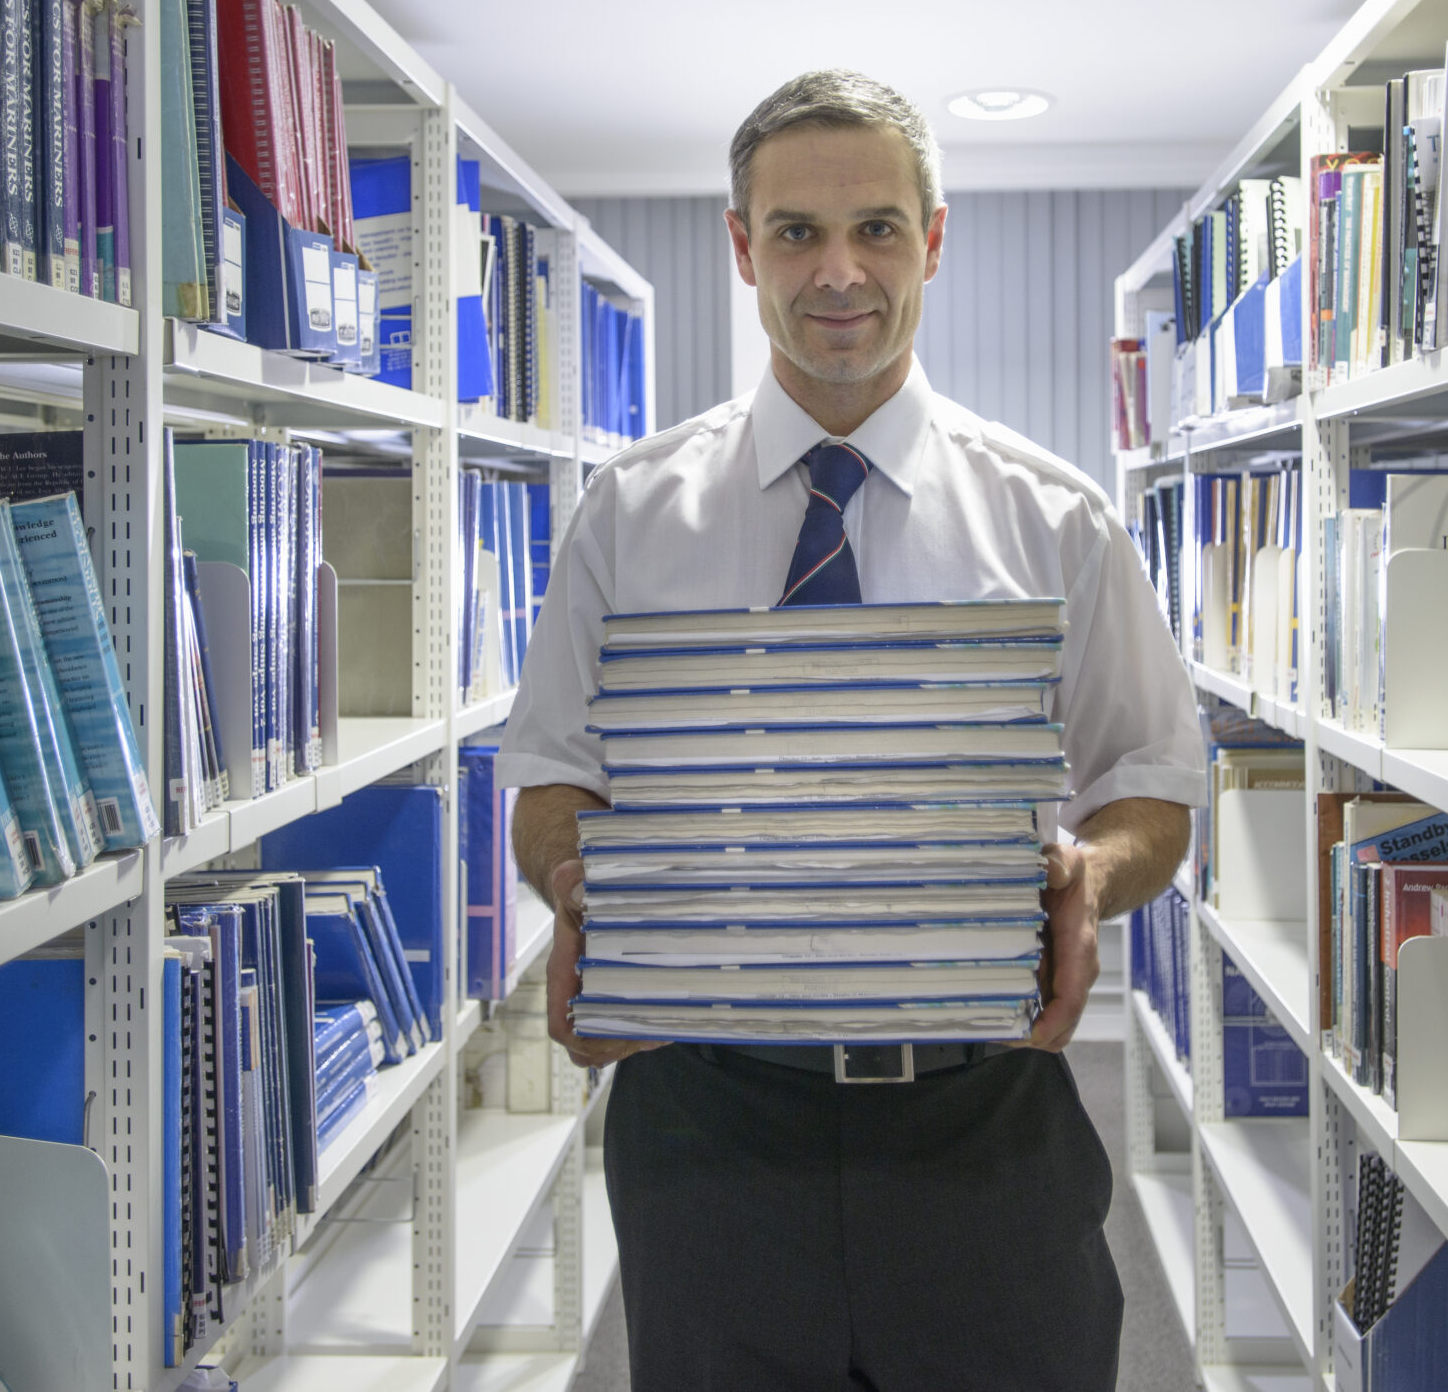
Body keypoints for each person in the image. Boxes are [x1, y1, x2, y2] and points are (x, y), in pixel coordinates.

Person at [496, 68, 1202, 1392]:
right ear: (740, 245)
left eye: (877, 227)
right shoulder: (629, 516)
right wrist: (578, 885)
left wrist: (1088, 877)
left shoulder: (1052, 520)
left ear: (932, 240)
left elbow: (1153, 784)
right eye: (796, 232)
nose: (839, 270)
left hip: (983, 1120)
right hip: (709, 1125)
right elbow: (549, 777)